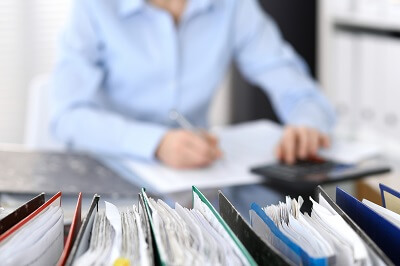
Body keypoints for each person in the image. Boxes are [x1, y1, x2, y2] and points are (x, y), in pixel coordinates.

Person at [50, 0, 335, 169]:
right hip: (110, 174)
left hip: (195, 178)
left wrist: (306, 122)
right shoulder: (93, 7)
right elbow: (67, 115)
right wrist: (156, 144)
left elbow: (293, 84)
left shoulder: (232, 7)